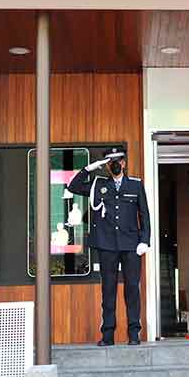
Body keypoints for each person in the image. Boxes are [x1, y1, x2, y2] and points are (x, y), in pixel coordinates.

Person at [67, 146, 150, 346]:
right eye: (110, 162)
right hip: (107, 245)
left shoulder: (136, 185)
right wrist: (89, 169)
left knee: (132, 289)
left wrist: (145, 240)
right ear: (106, 165)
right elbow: (73, 186)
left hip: (131, 245)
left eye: (118, 161)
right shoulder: (98, 184)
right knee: (108, 290)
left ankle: (134, 334)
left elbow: (144, 214)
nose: (114, 165)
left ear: (124, 163)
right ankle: (108, 335)